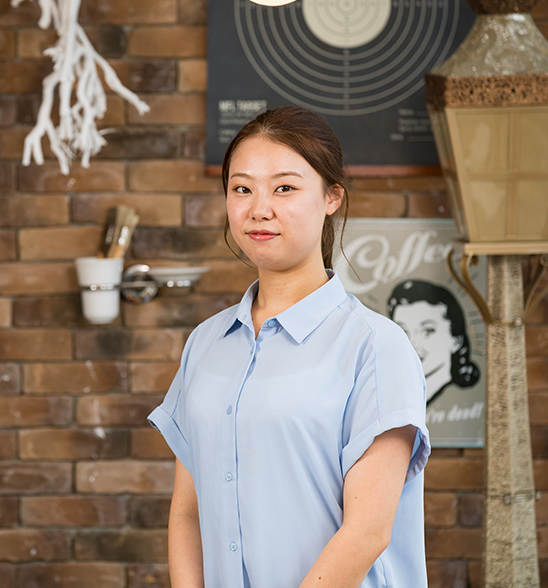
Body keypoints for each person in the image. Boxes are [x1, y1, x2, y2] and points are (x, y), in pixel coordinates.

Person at [147, 106, 430, 588]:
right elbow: (188, 514)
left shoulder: (375, 346)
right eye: (242, 189)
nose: (259, 208)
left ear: (331, 197)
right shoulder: (206, 344)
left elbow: (367, 532)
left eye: (284, 187)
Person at [387, 279, 480, 405]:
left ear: (455, 340)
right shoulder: (390, 402)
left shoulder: (462, 403)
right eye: (403, 331)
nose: (412, 342)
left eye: (427, 331)